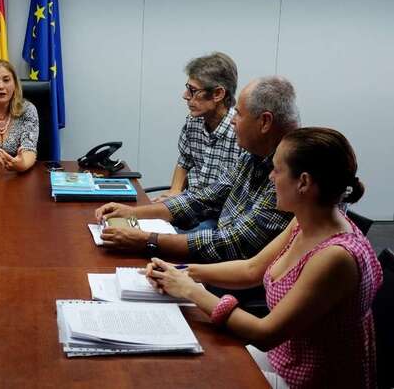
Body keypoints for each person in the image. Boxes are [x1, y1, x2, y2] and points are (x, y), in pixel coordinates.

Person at [145, 127, 382, 388]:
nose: (270, 177)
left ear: (303, 182)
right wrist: (181, 272)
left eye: (277, 170)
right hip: (285, 360)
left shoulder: (334, 257)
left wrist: (192, 292)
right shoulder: (305, 221)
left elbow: (266, 334)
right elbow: (251, 269)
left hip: (310, 379)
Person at [95, 76, 299, 262]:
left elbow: (236, 243)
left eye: (238, 113)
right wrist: (133, 213)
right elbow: (203, 199)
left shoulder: (290, 172)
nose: (233, 120)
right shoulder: (252, 155)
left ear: (264, 122)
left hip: (234, 278)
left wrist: (147, 240)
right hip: (217, 263)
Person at [155, 52, 242, 202]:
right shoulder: (193, 121)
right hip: (191, 204)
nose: (185, 95)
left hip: (217, 213)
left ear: (218, 94)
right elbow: (185, 160)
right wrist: (174, 191)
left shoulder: (241, 132)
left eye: (193, 90)